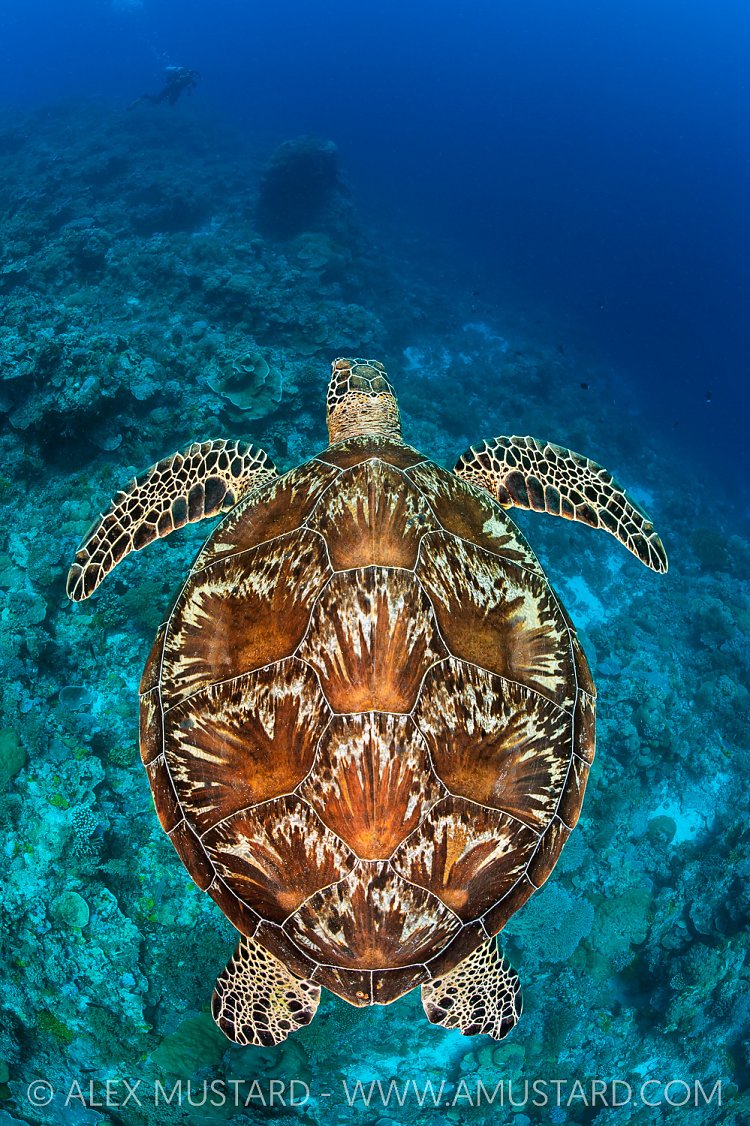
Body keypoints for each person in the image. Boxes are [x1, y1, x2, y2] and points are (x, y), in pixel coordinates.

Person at [129, 66, 200, 109]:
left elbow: (169, 79)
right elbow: (192, 86)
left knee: (158, 101)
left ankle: (147, 97)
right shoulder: (190, 79)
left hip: (169, 88)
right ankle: (148, 97)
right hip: (174, 90)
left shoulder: (183, 74)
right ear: (193, 75)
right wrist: (189, 92)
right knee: (170, 102)